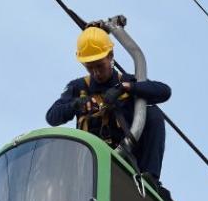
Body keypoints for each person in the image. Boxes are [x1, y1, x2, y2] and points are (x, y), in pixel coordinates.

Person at [46, 26, 171, 182]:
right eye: (90, 68)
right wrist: (76, 104)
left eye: (99, 66)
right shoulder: (78, 88)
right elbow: (52, 117)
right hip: (92, 161)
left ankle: (150, 179)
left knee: (153, 114)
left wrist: (126, 88)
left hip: (125, 157)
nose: (96, 73)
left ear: (111, 56)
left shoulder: (125, 82)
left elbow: (164, 91)